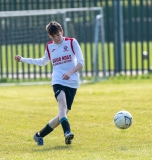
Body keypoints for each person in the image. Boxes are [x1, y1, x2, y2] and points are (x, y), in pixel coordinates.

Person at [14, 21, 84, 146]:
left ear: (61, 31)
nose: (57, 38)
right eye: (53, 36)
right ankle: (67, 132)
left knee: (60, 117)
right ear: (49, 36)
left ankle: (39, 135)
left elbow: (81, 63)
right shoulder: (49, 46)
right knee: (62, 105)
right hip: (58, 81)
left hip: (72, 83)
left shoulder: (72, 42)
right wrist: (22, 59)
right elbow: (42, 62)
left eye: (58, 35)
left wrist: (70, 72)